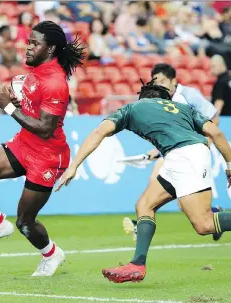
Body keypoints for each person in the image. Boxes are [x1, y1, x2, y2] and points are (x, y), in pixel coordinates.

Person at [56, 80, 231, 283]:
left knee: (204, 225)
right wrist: (229, 165)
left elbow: (99, 132)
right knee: (145, 205)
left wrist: (74, 166)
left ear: (144, 97)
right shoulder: (183, 108)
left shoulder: (132, 108)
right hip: (182, 155)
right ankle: (137, 264)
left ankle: (138, 263)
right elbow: (216, 133)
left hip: (184, 156)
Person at [0, 21, 84, 277]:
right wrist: (19, 102)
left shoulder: (55, 82)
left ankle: (51, 254)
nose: (27, 47)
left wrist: (9, 107)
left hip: (47, 157)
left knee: (24, 222)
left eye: (34, 44)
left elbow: (45, 129)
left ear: (50, 48)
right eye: (28, 41)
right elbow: (32, 107)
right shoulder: (37, 71)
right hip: (24, 144)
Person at [121, 63, 223, 242]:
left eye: (162, 80)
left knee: (157, 180)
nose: (158, 84)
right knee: (183, 204)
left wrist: (206, 143)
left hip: (193, 150)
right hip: (174, 150)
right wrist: (156, 150)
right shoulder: (160, 100)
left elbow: (213, 117)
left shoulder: (189, 95)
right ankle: (216, 215)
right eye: (155, 81)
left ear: (173, 81)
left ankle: (142, 222)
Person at [211, 55, 231, 119]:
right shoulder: (229, 78)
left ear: (221, 65)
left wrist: (213, 119)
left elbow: (219, 102)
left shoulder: (220, 82)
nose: (211, 70)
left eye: (213, 66)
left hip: (224, 119)